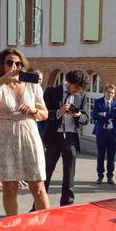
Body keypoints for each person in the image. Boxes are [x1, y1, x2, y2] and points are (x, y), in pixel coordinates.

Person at [0, 48, 50, 216]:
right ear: (2, 65)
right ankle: (13, 227)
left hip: (30, 135)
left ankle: (45, 228)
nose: (14, 65)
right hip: (6, 135)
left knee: (38, 186)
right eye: (9, 62)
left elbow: (45, 114)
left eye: (18, 63)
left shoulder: (32, 86)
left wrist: (33, 110)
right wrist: (5, 79)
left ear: (23, 65)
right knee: (10, 188)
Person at [41, 69, 90, 207]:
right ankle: (38, 206)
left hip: (71, 137)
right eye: (75, 87)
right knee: (46, 173)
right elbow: (42, 114)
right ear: (68, 82)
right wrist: (58, 112)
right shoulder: (51, 91)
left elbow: (86, 118)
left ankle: (67, 206)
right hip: (53, 136)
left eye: (80, 89)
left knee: (69, 175)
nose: (77, 91)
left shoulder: (81, 95)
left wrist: (78, 115)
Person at [92, 83, 116, 184]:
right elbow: (94, 115)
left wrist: (104, 114)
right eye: (109, 92)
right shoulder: (98, 102)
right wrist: (109, 115)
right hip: (102, 132)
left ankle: (110, 176)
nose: (110, 94)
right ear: (105, 92)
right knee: (101, 155)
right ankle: (100, 175)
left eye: (112, 93)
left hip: (112, 133)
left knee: (111, 156)